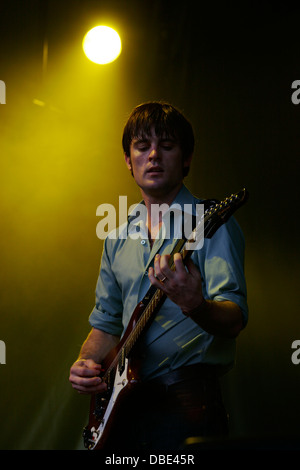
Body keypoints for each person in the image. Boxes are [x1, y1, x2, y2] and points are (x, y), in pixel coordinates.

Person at [69, 101, 248, 451]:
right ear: (127, 160)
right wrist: (85, 363)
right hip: (124, 408)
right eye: (142, 146)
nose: (153, 155)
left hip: (186, 402)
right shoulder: (116, 237)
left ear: (186, 159)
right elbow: (105, 324)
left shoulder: (212, 224)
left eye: (166, 146)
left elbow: (235, 318)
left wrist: (195, 305)